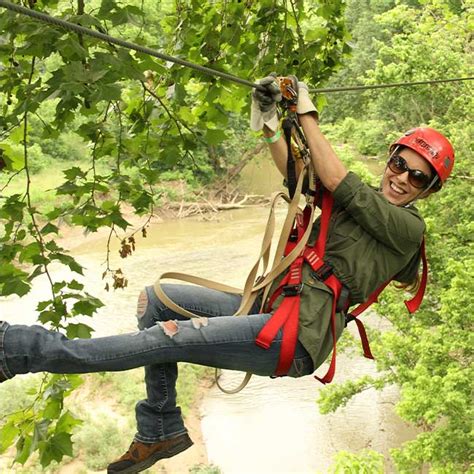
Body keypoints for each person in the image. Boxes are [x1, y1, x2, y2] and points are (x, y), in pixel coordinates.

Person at [0, 76, 454, 473]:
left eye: (418, 179)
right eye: (400, 165)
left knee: (168, 337)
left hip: (298, 336)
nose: (402, 179)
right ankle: (160, 424)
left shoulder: (407, 229)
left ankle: (19, 349)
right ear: (390, 158)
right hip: (273, 308)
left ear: (427, 193)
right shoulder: (357, 207)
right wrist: (272, 122)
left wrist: (307, 111)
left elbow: (336, 179)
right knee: (156, 301)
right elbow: (300, 174)